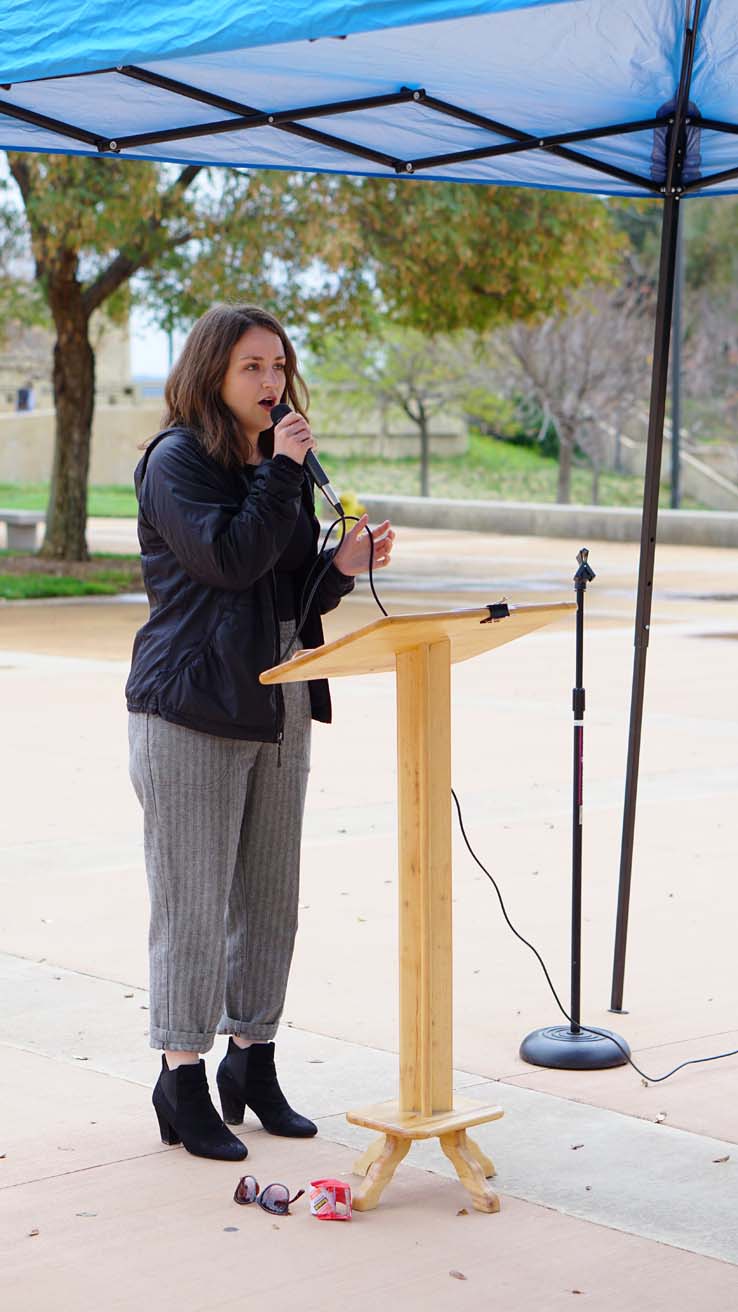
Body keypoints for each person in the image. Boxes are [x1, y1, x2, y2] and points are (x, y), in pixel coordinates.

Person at [125, 304, 394, 1162]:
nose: (273, 383)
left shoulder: (271, 468)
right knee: (195, 903)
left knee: (270, 897)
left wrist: (341, 569)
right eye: (252, 367)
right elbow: (228, 562)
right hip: (192, 709)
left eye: (279, 367)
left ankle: (253, 1059)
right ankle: (181, 1074)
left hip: (278, 702)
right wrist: (282, 474)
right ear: (212, 373)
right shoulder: (177, 463)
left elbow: (281, 596)